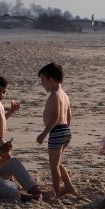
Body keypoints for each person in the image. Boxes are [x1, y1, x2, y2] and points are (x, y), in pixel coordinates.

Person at [36, 62, 78, 197]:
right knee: (57, 163)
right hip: (65, 130)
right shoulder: (64, 94)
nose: (42, 84)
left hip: (57, 131)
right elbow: (69, 115)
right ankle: (69, 186)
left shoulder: (54, 94)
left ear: (51, 79)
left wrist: (44, 133)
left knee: (53, 166)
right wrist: (66, 130)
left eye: (43, 81)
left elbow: (56, 116)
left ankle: (57, 192)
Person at [0, 75, 21, 167]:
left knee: (9, 159)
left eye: (4, 92)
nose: (1, 94)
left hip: (0, 138)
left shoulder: (0, 104)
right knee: (4, 162)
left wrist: (12, 111)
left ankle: (10, 178)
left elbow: (2, 119)